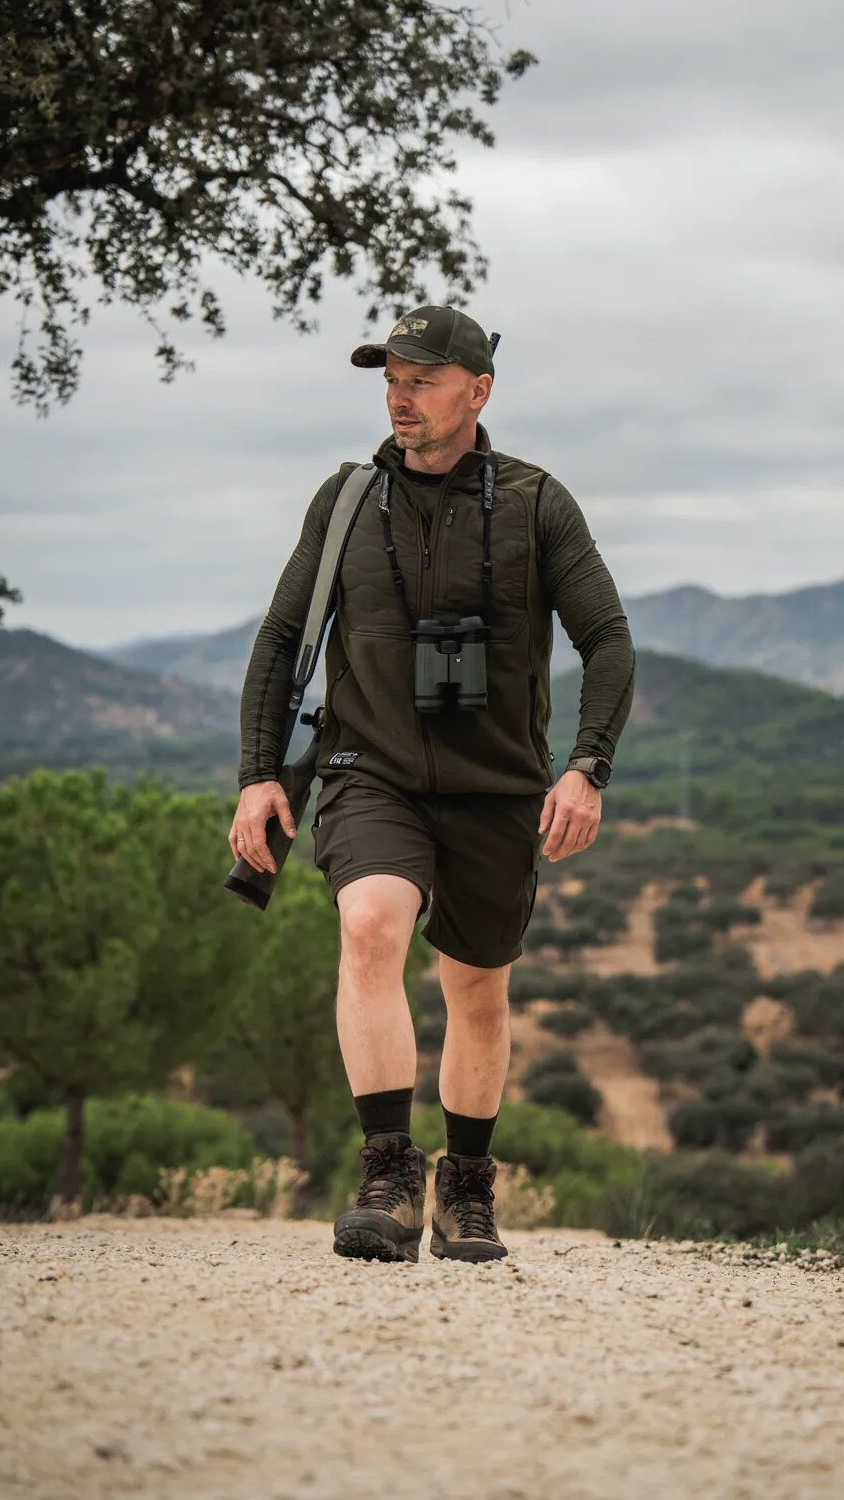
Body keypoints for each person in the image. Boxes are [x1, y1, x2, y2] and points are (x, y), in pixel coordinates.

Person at [229, 305, 635, 1264]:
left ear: (477, 391)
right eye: (390, 380)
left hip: (498, 785)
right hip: (370, 769)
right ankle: (387, 1173)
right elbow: (281, 638)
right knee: (369, 926)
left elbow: (607, 640)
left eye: (420, 380)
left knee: (477, 988)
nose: (398, 397)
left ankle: (467, 1185)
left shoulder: (537, 503)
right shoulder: (345, 501)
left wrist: (587, 766)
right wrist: (257, 775)